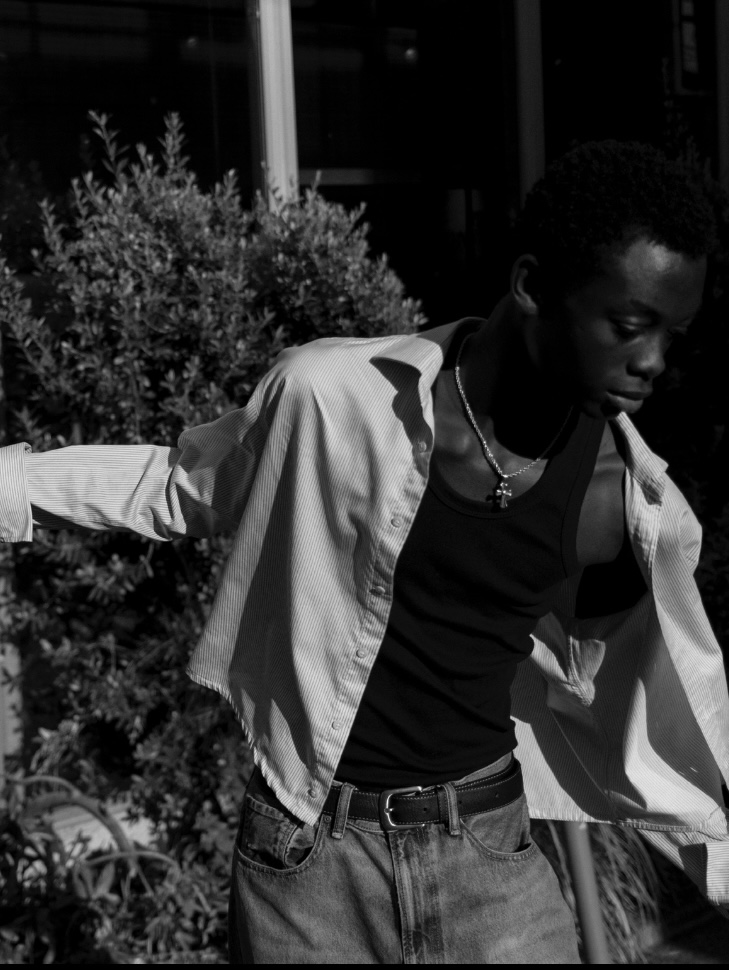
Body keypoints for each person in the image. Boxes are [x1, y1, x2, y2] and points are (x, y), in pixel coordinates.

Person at [1, 140, 728, 963]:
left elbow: (642, 708)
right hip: (307, 864)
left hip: (488, 858)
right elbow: (180, 485)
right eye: (628, 327)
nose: (652, 362)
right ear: (530, 286)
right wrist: (11, 486)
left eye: (672, 336)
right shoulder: (331, 400)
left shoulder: (622, 503)